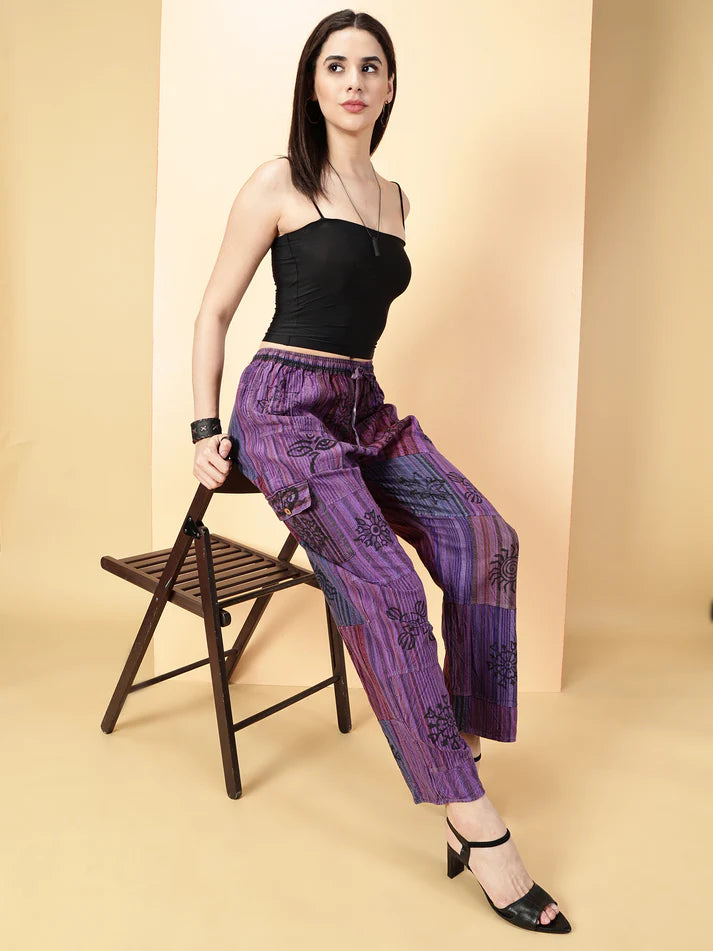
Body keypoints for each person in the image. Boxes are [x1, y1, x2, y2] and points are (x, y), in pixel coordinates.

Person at [190, 9, 571, 935]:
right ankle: (476, 824)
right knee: (391, 593)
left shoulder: (396, 198)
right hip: (282, 410)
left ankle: (460, 745)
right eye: (335, 66)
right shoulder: (277, 182)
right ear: (312, 85)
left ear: (390, 88)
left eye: (370, 67)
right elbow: (215, 309)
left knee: (485, 535)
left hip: (362, 404)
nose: (353, 80)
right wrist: (203, 425)